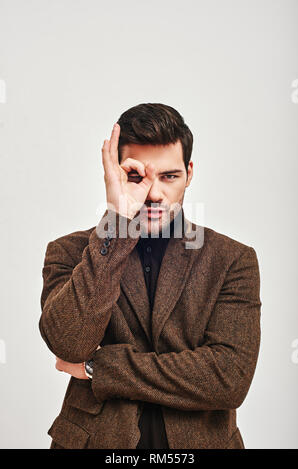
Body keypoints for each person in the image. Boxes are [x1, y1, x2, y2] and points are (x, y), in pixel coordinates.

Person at [39, 103, 261, 449]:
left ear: (189, 172)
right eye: (137, 176)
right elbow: (69, 343)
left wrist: (101, 367)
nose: (154, 194)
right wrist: (117, 221)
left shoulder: (233, 260)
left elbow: (229, 378)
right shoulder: (68, 252)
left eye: (169, 176)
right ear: (115, 174)